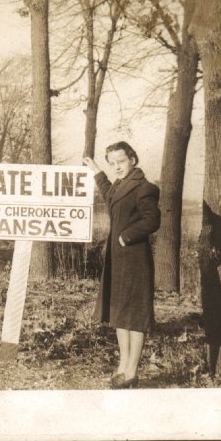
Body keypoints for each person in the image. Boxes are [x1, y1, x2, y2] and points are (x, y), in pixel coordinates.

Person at [84, 142, 160, 389]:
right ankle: (122, 367)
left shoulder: (144, 188)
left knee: (135, 316)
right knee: (120, 315)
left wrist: (125, 236)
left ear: (133, 160)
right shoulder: (118, 185)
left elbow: (152, 220)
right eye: (112, 162)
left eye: (121, 161)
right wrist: (97, 170)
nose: (117, 166)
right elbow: (108, 194)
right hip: (118, 261)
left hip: (135, 260)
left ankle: (132, 372)